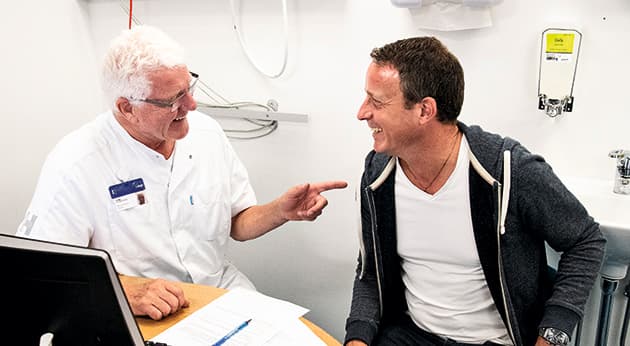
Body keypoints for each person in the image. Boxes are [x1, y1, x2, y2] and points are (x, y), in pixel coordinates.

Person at [16, 25, 347, 321]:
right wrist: (126, 292)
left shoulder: (207, 134)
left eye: (189, 88)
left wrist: (280, 211)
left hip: (218, 294)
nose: (191, 105)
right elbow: (49, 273)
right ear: (126, 108)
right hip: (140, 313)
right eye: (173, 100)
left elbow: (238, 223)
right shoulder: (76, 162)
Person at [344, 37, 605, 346]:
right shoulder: (378, 175)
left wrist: (552, 334)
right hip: (409, 335)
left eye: (376, 102)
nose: (362, 113)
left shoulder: (509, 170)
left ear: (425, 110)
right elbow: (370, 271)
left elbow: (585, 241)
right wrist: (357, 338)